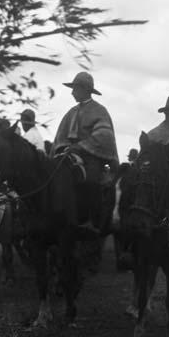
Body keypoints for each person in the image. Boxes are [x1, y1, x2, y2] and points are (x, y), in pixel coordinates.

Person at [51, 71, 119, 234]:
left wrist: (81, 146)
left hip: (91, 158)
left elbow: (104, 136)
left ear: (84, 89)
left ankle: (92, 220)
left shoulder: (99, 110)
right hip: (67, 155)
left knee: (91, 181)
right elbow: (59, 137)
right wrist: (63, 148)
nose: (72, 92)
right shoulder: (70, 112)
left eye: (75, 88)